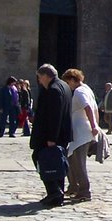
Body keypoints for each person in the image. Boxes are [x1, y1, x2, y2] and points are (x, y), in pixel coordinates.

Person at [30, 64, 73, 207]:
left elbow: (55, 116)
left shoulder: (54, 90)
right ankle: (56, 196)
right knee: (57, 162)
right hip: (62, 134)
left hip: (52, 135)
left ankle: (54, 190)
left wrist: (51, 139)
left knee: (39, 157)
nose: (39, 81)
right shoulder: (64, 86)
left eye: (39, 77)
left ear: (45, 76)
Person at [61, 69, 99, 202]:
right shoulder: (87, 89)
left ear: (72, 80)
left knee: (78, 163)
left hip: (81, 132)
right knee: (71, 159)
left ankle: (84, 191)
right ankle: (74, 186)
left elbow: (88, 108)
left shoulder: (79, 91)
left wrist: (94, 126)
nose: (68, 85)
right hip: (80, 131)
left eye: (67, 82)